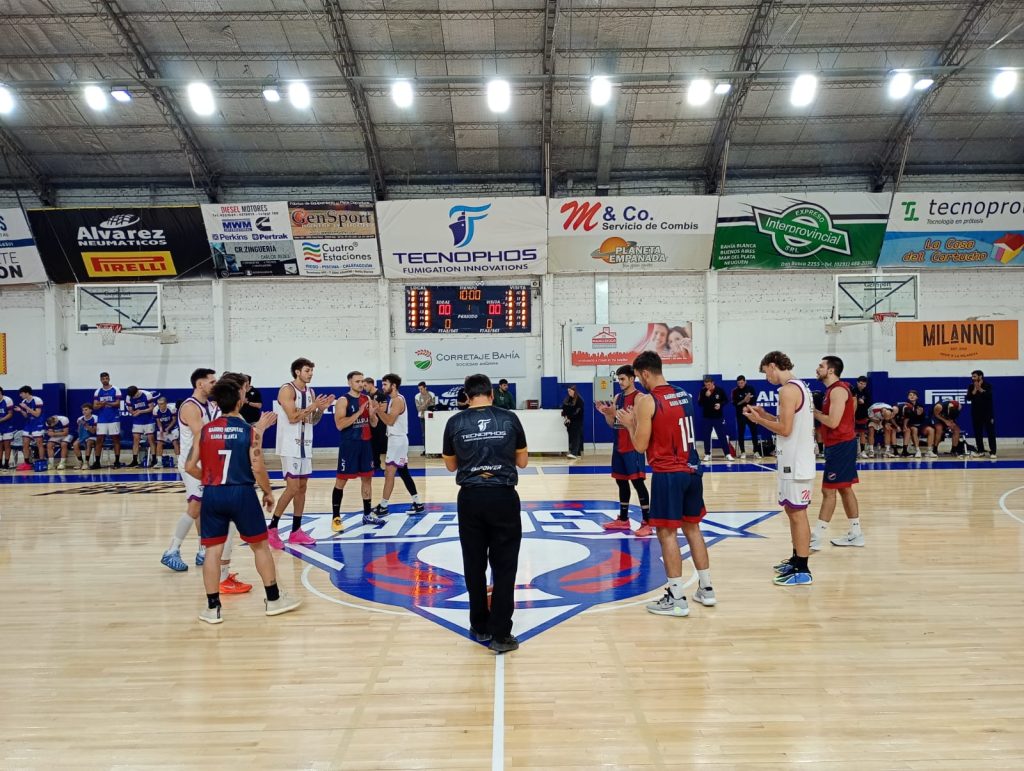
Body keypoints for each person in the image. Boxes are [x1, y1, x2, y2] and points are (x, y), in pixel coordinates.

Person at [186, 379, 301, 624]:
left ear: (217, 403)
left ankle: (213, 608)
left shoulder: (204, 431)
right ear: (240, 402)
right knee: (260, 547)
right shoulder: (249, 431)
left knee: (212, 551)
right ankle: (273, 599)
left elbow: (189, 466)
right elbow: (257, 467)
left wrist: (211, 478)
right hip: (242, 493)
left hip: (213, 494)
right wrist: (267, 492)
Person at [616, 351, 716, 617]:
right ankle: (706, 589)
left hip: (668, 473)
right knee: (693, 529)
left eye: (639, 377)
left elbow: (639, 446)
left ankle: (677, 598)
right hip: (693, 470)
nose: (640, 382)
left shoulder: (648, 401)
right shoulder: (683, 394)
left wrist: (629, 424)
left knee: (666, 534)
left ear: (644, 373)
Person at [442, 373, 528, 653]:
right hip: (503, 496)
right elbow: (523, 461)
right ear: (491, 394)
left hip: (471, 498)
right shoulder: (509, 418)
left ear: (466, 397)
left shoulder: (454, 422)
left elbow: (450, 466)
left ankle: (479, 625)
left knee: (474, 563)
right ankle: (501, 634)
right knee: (505, 566)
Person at [743, 351, 815, 586]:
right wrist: (765, 414)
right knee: (792, 511)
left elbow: (784, 429)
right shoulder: (799, 387)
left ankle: (803, 568)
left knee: (798, 513)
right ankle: (796, 559)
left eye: (766, 373)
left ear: (773, 366)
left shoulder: (788, 390)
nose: (767, 378)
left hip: (797, 462)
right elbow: (786, 422)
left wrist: (758, 421)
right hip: (792, 460)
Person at [161, 369, 225, 575]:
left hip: (205, 462)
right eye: (212, 382)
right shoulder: (190, 406)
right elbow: (203, 434)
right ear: (200, 384)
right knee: (195, 506)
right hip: (192, 463)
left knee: (203, 508)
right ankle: (172, 550)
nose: (215, 384)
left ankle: (203, 550)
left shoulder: (208, 405)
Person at [268, 358, 334, 549]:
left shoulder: (310, 392)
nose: (310, 373)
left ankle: (296, 530)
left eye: (312, 370)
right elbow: (292, 417)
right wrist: (313, 407)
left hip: (306, 445)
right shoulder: (287, 390)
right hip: (290, 445)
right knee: (292, 488)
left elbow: (313, 420)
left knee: (302, 487)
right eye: (307, 370)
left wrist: (320, 410)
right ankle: (272, 528)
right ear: (297, 372)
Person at [811, 355, 864, 550]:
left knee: (828, 490)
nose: (818, 369)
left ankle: (816, 537)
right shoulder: (833, 390)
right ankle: (856, 533)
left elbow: (833, 422)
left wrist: (813, 411)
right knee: (844, 489)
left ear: (831, 370)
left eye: (821, 366)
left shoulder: (838, 390)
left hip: (841, 444)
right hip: (839, 444)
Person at [594, 365, 652, 536]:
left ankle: (647, 522)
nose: (619, 382)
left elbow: (642, 423)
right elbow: (613, 425)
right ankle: (624, 519)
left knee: (638, 483)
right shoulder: (618, 397)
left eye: (622, 379)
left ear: (632, 379)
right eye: (618, 379)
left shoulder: (640, 398)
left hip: (633, 446)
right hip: (618, 446)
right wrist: (607, 414)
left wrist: (627, 418)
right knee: (621, 481)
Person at [369, 373, 424, 518]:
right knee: (404, 472)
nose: (382, 387)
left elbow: (390, 421)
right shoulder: (394, 400)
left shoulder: (398, 400)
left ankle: (383, 506)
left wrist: (378, 409)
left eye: (385, 384)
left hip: (397, 440)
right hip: (397, 440)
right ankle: (418, 503)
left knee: (389, 474)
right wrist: (379, 410)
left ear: (393, 385)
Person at [332, 370, 378, 531]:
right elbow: (340, 425)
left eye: (362, 381)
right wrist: (359, 412)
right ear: (349, 383)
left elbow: (374, 424)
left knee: (367, 479)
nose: (361, 384)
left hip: (365, 444)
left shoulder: (367, 399)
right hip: (349, 445)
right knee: (341, 481)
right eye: (357, 381)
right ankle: (336, 517)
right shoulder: (343, 400)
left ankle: (367, 514)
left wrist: (372, 415)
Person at [697, 376, 734, 462]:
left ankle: (727, 454)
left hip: (718, 417)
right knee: (706, 436)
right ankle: (707, 454)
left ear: (713, 383)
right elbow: (700, 403)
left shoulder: (719, 390)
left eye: (709, 385)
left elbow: (726, 400)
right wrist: (706, 396)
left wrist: (720, 404)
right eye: (706, 385)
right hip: (707, 417)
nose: (707, 387)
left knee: (722, 436)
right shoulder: (703, 391)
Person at [92, 372, 123, 469]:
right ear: (100, 380)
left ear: (109, 379)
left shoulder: (115, 389)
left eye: (106, 378)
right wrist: (101, 404)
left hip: (113, 418)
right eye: (103, 379)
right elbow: (94, 406)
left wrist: (106, 403)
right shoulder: (98, 391)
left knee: (115, 439)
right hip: (102, 419)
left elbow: (118, 404)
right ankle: (97, 462)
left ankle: (117, 461)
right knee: (99, 440)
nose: (105, 380)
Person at [966, 370, 996, 459]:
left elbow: (989, 396)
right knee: (978, 433)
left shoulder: (988, 385)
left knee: (990, 433)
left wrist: (980, 389)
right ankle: (980, 451)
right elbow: (968, 398)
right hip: (976, 414)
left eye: (974, 376)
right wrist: (975, 389)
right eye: (972, 376)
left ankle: (993, 452)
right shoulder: (971, 386)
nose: (973, 378)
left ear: (980, 376)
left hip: (987, 414)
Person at [125, 385, 157, 467]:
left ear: (137, 391)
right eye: (132, 396)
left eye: (135, 395)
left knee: (151, 439)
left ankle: (154, 459)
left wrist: (140, 411)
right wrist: (133, 413)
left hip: (148, 420)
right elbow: (130, 409)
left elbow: (151, 408)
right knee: (136, 439)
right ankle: (135, 460)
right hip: (137, 420)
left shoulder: (147, 395)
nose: (134, 397)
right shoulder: (129, 397)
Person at [363, 376, 389, 469]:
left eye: (365, 385)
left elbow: (384, 409)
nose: (364, 388)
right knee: (372, 443)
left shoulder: (381, 395)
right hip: (371, 422)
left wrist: (376, 408)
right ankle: (375, 463)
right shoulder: (367, 396)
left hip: (380, 424)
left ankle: (385, 464)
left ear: (371, 384)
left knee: (380, 443)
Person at [730, 375, 759, 459]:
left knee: (754, 432)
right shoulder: (735, 391)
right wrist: (744, 400)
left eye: (742, 383)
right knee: (741, 433)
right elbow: (735, 403)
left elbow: (754, 400)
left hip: (751, 414)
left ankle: (756, 451)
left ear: (745, 382)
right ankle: (743, 452)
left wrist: (747, 407)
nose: (740, 384)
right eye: (738, 383)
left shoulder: (750, 388)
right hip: (740, 415)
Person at [16, 386, 44, 470]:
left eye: (21, 393)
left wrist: (26, 407)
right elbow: (26, 416)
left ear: (27, 393)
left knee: (39, 444)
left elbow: (37, 414)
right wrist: (21, 410)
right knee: (25, 444)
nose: (20, 395)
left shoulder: (37, 400)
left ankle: (42, 462)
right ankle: (27, 463)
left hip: (38, 424)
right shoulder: (24, 401)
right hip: (28, 424)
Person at [153, 396, 180, 466]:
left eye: (161, 404)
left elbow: (174, 420)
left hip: (172, 427)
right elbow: (158, 421)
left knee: (175, 442)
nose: (160, 405)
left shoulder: (172, 408)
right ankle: (159, 462)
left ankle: (179, 461)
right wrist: (161, 430)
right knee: (159, 443)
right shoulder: (155, 410)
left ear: (165, 403)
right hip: (162, 427)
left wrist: (168, 428)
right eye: (158, 404)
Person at [560, 385, 585, 459]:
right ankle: (577, 452)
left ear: (574, 391)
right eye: (568, 391)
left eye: (570, 391)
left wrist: (570, 418)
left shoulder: (579, 400)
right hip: (570, 421)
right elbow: (564, 408)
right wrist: (566, 416)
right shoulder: (568, 399)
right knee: (572, 436)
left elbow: (577, 411)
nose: (569, 392)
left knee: (576, 437)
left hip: (577, 421)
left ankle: (574, 453)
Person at [415, 381, 437, 455]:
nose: (420, 390)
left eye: (421, 389)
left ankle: (433, 450)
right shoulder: (417, 396)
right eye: (419, 389)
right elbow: (419, 409)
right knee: (424, 434)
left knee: (432, 433)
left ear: (425, 388)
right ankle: (426, 450)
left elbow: (433, 407)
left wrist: (424, 406)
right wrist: (426, 403)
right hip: (422, 417)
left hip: (431, 417)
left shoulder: (432, 394)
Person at [73, 403, 98, 470]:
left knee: (88, 443)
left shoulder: (95, 418)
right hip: (83, 436)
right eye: (83, 410)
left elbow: (93, 431)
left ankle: (86, 463)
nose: (84, 411)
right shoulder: (80, 419)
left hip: (93, 436)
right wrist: (81, 436)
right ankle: (80, 462)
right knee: (75, 444)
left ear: (91, 410)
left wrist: (86, 425)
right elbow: (79, 431)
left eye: (86, 410)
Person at [853, 376, 871, 458]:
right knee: (853, 433)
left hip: (863, 415)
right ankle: (854, 451)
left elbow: (869, 404)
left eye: (864, 384)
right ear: (857, 383)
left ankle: (863, 451)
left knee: (862, 433)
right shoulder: (853, 391)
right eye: (861, 383)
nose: (862, 385)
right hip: (854, 416)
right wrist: (857, 401)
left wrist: (863, 403)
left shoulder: (866, 393)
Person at [0, 386, 14, 470]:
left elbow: (10, 414)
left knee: (7, 445)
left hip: (7, 426)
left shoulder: (8, 400)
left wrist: (1, 420)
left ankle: (6, 463)